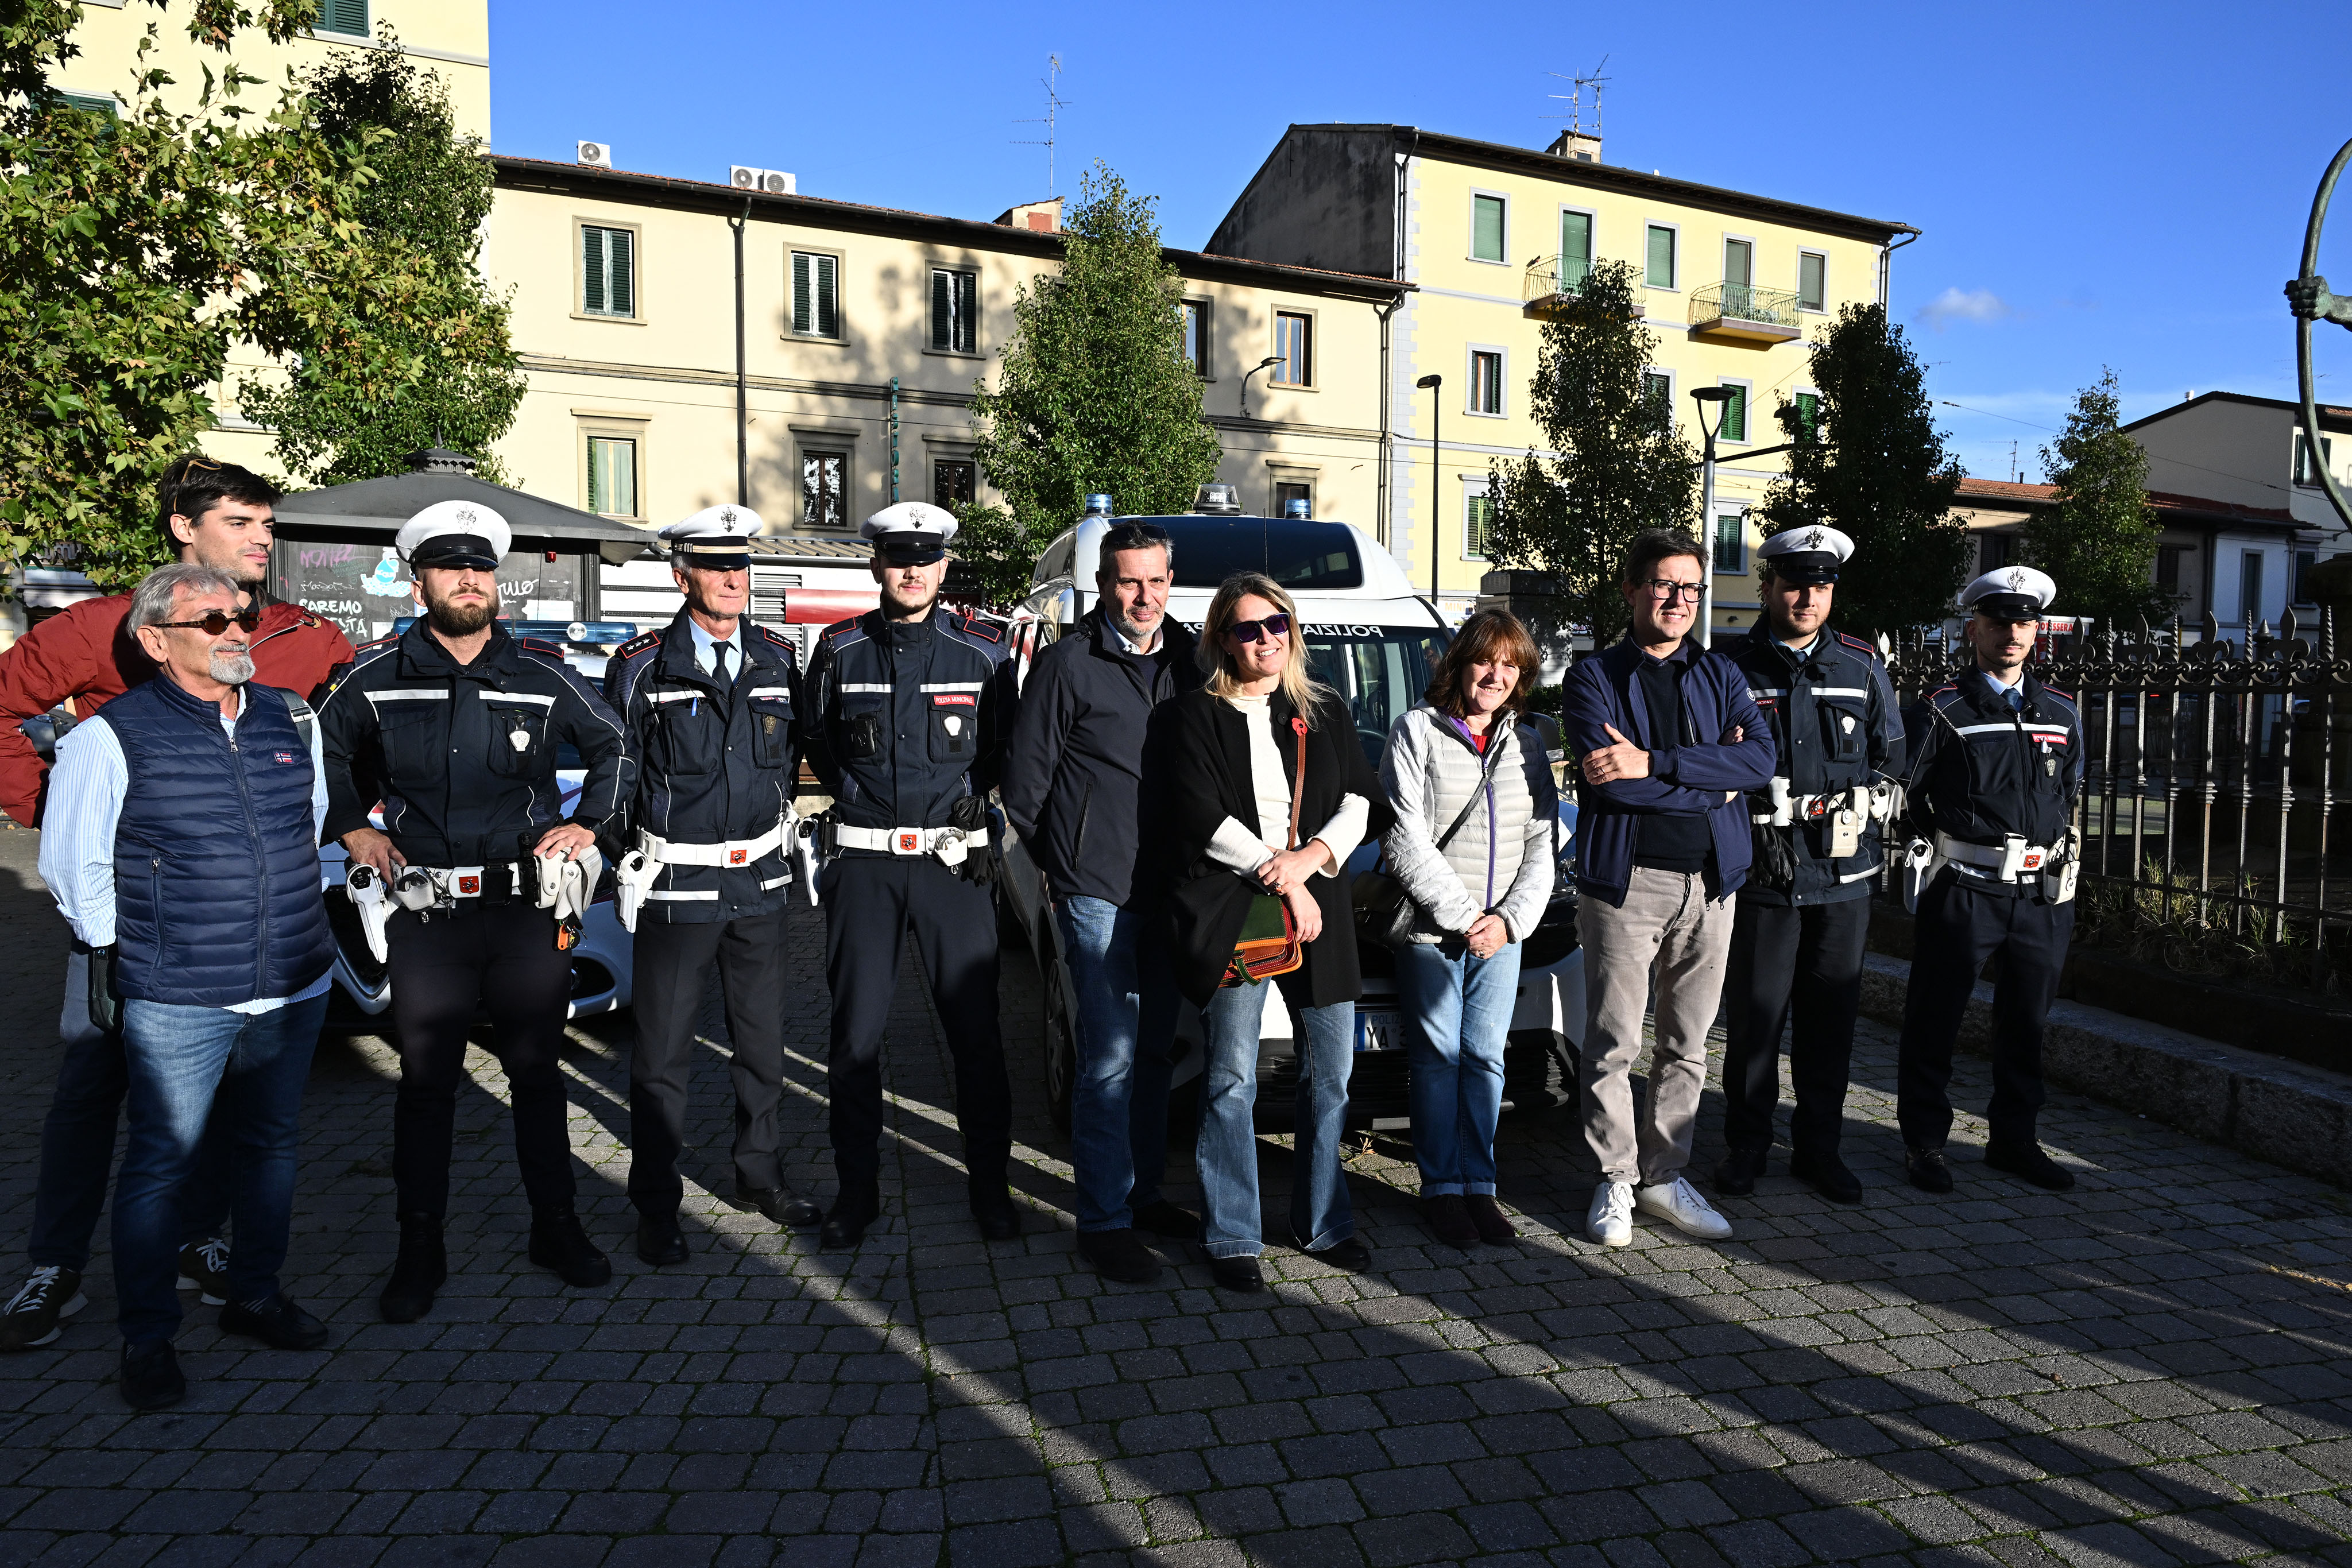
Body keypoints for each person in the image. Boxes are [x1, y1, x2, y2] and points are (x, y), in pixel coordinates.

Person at [0, 456, 351, 1354]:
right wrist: (67, 821)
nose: (261, 540)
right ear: (183, 529)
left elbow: (344, 745)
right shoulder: (101, 626)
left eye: (269, 525)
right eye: (240, 521)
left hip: (257, 933)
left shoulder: (304, 635)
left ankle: (203, 1243)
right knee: (94, 1089)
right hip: (129, 918)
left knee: (238, 1106)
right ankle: (57, 1264)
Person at [318, 500, 635, 1321]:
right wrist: (351, 825)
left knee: (535, 1070)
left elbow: (616, 744)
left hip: (526, 913)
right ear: (419, 581)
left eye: (482, 568)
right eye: (452, 568)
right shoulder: (373, 678)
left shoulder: (541, 674)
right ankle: (420, 1243)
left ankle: (555, 1225)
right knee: (426, 1080)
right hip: (429, 917)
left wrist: (589, 821)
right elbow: (325, 749)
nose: (470, 580)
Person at [1158, 572, 1394, 1292]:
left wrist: (1313, 861)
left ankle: (1322, 1221)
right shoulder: (1188, 718)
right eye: (1246, 627)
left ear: (1292, 629)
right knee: (1230, 1079)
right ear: (1220, 638)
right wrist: (1286, 877)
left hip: (1318, 909)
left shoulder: (1322, 709)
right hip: (1240, 913)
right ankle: (1230, 1232)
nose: (1263, 638)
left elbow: (1361, 801)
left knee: (1332, 1076)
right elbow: (1199, 817)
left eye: (1276, 624)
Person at [604, 505, 820, 1264]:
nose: (734, 577)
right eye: (716, 565)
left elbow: (793, 759)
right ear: (682, 575)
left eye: (742, 565)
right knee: (661, 1055)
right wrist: (607, 859)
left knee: (762, 1046)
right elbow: (617, 774)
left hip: (759, 883)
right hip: (679, 887)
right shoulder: (641, 666)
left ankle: (758, 1175)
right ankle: (656, 1202)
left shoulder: (775, 658)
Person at [802, 501, 1020, 1250]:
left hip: (949, 863)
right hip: (863, 862)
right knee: (854, 1035)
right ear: (876, 563)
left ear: (945, 565)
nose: (911, 569)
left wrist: (960, 807)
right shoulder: (836, 650)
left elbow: (999, 749)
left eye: (925, 557)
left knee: (977, 1036)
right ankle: (855, 1193)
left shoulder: (985, 651)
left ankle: (990, 1190)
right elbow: (819, 741)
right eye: (898, 556)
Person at [1001, 521, 1205, 1284]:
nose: (1144, 595)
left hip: (1173, 893)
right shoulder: (1067, 665)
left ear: (1171, 576)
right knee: (1110, 1060)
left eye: (1155, 580)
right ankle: (1103, 1219)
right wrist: (1063, 873)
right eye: (1128, 581)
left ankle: (1143, 1194)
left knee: (1155, 1055)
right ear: (1104, 583)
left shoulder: (1192, 657)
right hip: (1097, 894)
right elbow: (1024, 791)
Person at [1565, 530, 1774, 1249]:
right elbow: (1612, 785)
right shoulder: (1593, 675)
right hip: (1626, 883)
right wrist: (1710, 785)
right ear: (1630, 590)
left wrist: (1655, 763)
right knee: (1613, 1042)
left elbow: (1760, 762)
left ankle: (1663, 1175)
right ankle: (1616, 1178)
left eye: (1690, 588)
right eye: (1663, 584)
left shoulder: (1720, 672)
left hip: (1712, 885)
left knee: (1686, 1045)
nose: (1678, 600)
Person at [1714, 528, 1905, 1206]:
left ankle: (1819, 1149)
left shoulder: (1860, 665)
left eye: (1819, 584)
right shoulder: (1729, 664)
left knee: (1830, 1023)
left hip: (1843, 877)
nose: (1805, 596)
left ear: (1832, 592)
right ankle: (1747, 1144)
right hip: (1766, 874)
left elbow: (1891, 756)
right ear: (1765, 586)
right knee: (1757, 1021)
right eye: (1793, 582)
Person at [1894, 566, 2084, 1195]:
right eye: (1998, 620)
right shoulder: (1941, 709)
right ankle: (1925, 1142)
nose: (2010, 633)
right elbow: (1907, 794)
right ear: (1972, 626)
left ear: (2037, 631)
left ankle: (2014, 1139)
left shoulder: (2060, 710)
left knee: (2026, 1023)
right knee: (1936, 1019)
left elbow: (2069, 789)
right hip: (1966, 886)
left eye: (2023, 622)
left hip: (2038, 894)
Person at [1376, 609, 1558, 1249]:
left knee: (1485, 1060)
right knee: (1436, 1061)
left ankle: (1480, 1184)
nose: (1496, 674)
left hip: (1500, 936)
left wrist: (1507, 921)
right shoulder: (1415, 732)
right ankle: (1442, 1189)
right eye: (1486, 659)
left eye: (1511, 664)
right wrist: (1464, 918)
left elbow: (1543, 840)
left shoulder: (1527, 743)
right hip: (1433, 932)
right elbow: (1403, 839)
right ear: (1460, 663)